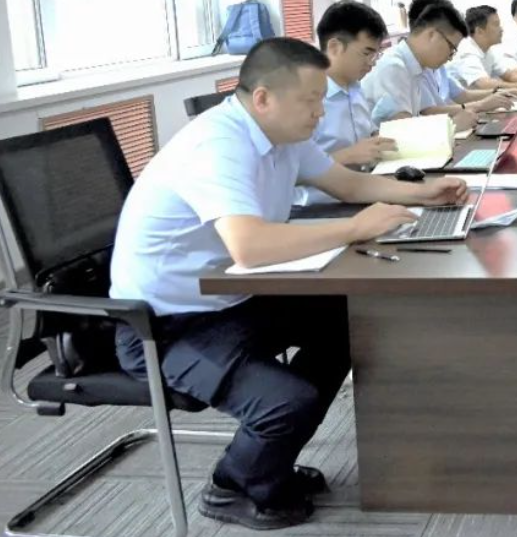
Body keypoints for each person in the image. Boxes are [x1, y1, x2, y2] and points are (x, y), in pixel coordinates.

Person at [111, 38, 470, 529]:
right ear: (263, 98)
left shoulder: (280, 134)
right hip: (163, 327)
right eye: (311, 100)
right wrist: (354, 227)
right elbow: (249, 246)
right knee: (287, 401)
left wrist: (425, 193)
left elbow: (347, 183)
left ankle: (268, 463)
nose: (320, 112)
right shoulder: (217, 145)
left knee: (352, 322)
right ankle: (232, 485)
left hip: (232, 299)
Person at [294, 0, 397, 205]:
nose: (372, 62)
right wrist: (348, 156)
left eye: (377, 54)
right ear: (335, 47)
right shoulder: (303, 99)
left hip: (362, 191)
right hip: (319, 207)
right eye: (367, 53)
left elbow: (366, 136)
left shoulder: (355, 88)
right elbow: (287, 173)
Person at [362, 0, 512, 132]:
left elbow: (417, 119)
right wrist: (453, 125)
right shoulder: (394, 67)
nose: (450, 57)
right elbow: (403, 131)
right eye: (451, 48)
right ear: (432, 35)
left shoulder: (416, 65)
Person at [451, 5, 517, 93]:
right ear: (479, 31)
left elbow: (509, 75)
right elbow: (484, 84)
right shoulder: (467, 51)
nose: (501, 29)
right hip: (461, 104)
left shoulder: (488, 50)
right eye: (496, 25)